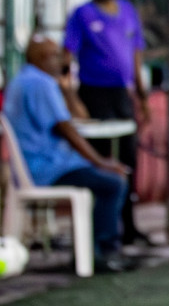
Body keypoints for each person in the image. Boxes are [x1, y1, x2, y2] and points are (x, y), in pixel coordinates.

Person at [3, 37, 135, 272]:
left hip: (42, 165)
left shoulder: (24, 79)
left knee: (104, 178)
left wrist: (67, 90)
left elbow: (78, 117)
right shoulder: (40, 83)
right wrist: (100, 161)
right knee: (113, 182)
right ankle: (103, 253)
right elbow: (66, 129)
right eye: (56, 55)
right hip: (47, 168)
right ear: (42, 58)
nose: (63, 60)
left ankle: (93, 249)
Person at [64, 0, 148, 245]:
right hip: (93, 94)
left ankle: (129, 227)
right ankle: (100, 234)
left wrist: (142, 96)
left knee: (129, 159)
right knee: (101, 161)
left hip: (121, 95)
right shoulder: (81, 14)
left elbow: (136, 55)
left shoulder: (128, 11)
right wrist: (71, 96)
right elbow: (68, 55)